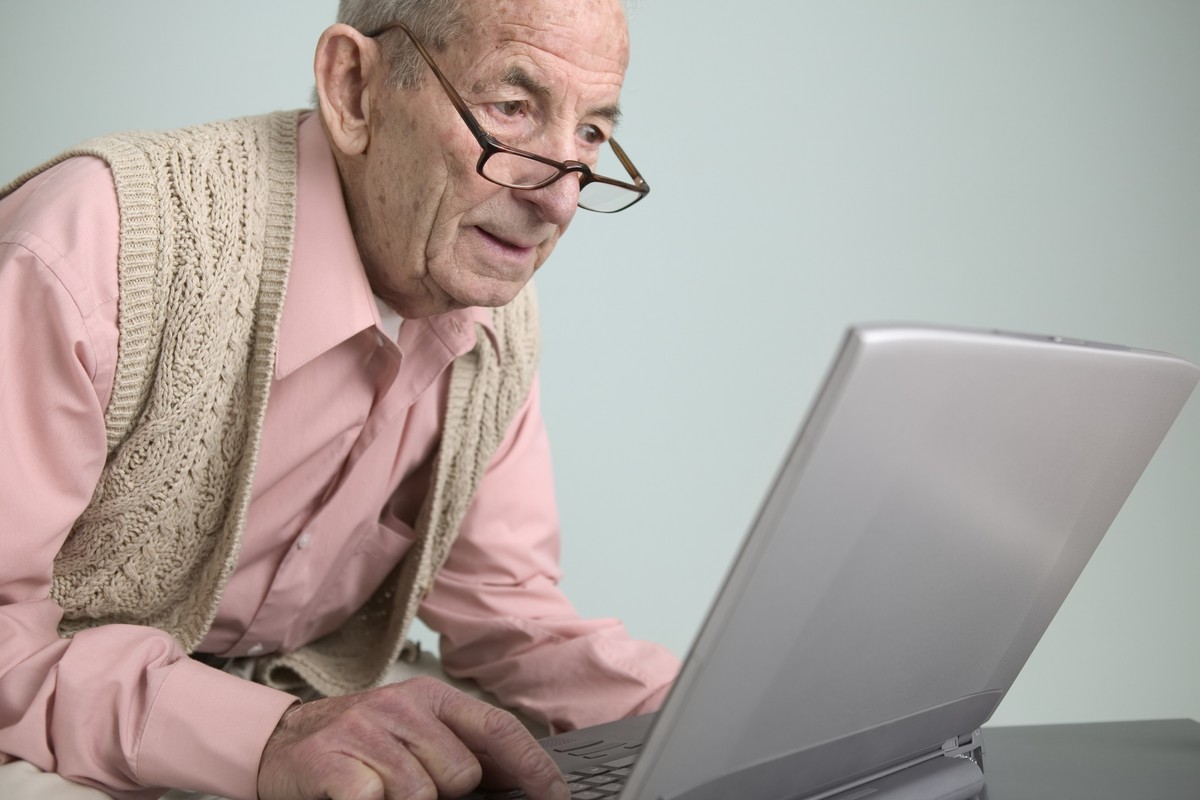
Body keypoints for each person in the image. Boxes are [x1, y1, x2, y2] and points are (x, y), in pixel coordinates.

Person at [0, 0, 679, 798]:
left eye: (591, 133)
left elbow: (509, 609)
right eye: (512, 108)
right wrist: (266, 737)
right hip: (45, 722)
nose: (560, 201)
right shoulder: (90, 247)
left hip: (282, 702)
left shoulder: (492, 317)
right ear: (353, 88)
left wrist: (727, 713)